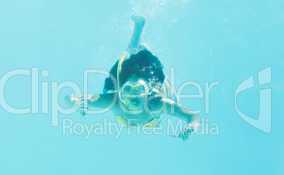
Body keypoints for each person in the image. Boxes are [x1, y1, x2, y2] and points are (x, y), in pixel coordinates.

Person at [69, 16, 200, 139]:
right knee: (132, 55)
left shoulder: (155, 103)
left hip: (149, 87)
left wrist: (191, 125)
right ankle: (138, 33)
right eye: (128, 90)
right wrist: (77, 102)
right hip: (142, 75)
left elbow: (193, 116)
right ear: (120, 93)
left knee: (133, 55)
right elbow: (70, 99)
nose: (132, 94)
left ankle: (137, 36)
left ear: (147, 94)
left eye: (137, 90)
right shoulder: (115, 101)